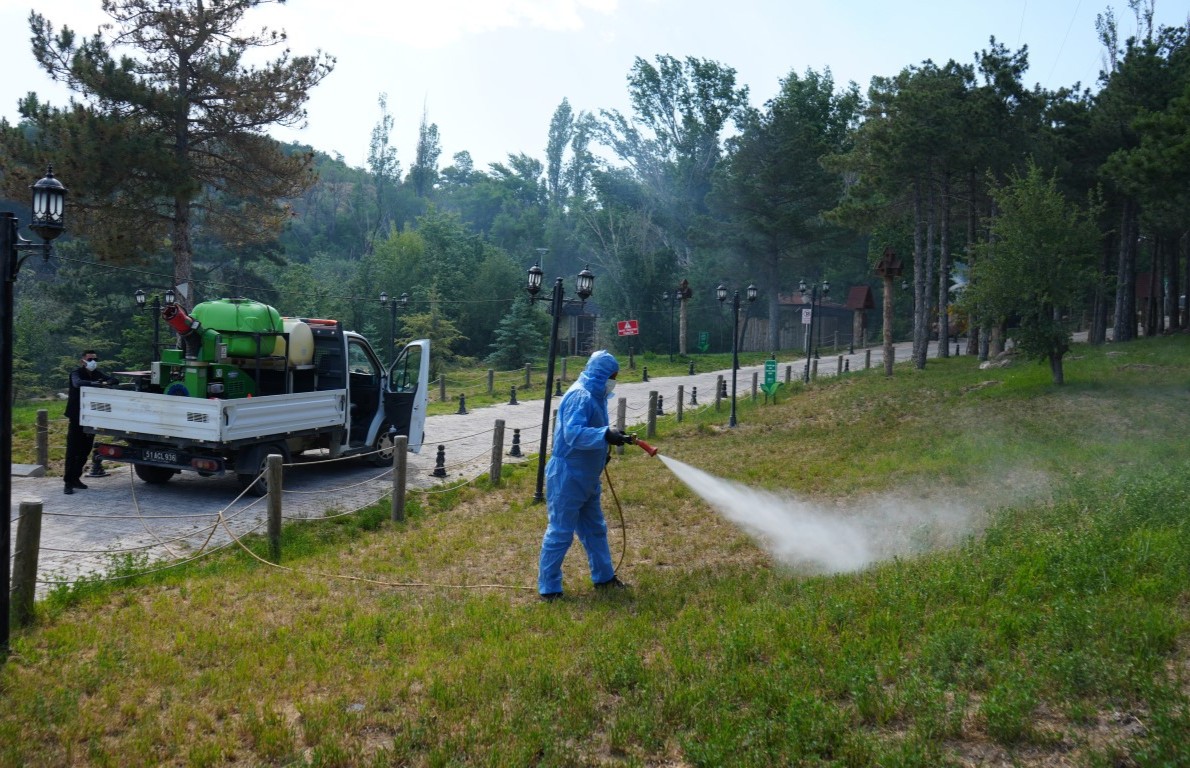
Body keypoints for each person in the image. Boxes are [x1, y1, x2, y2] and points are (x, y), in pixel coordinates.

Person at [537, 349, 633, 601]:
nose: (614, 381)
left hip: (587, 476)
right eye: (613, 376)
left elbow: (593, 430)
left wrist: (605, 444)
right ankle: (549, 588)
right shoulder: (580, 396)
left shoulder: (596, 395)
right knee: (560, 532)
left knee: (595, 529)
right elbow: (573, 434)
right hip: (567, 476)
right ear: (601, 374)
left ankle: (604, 578)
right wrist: (605, 434)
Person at [64, 350, 118, 495]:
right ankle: (68, 482)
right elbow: (77, 383)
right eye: (90, 359)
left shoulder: (97, 373)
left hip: (91, 418)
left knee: (85, 451)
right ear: (82, 361)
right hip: (77, 416)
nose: (93, 361)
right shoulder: (76, 373)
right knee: (73, 450)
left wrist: (106, 382)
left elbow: (114, 380)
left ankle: (76, 478)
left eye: (95, 359)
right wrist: (95, 384)